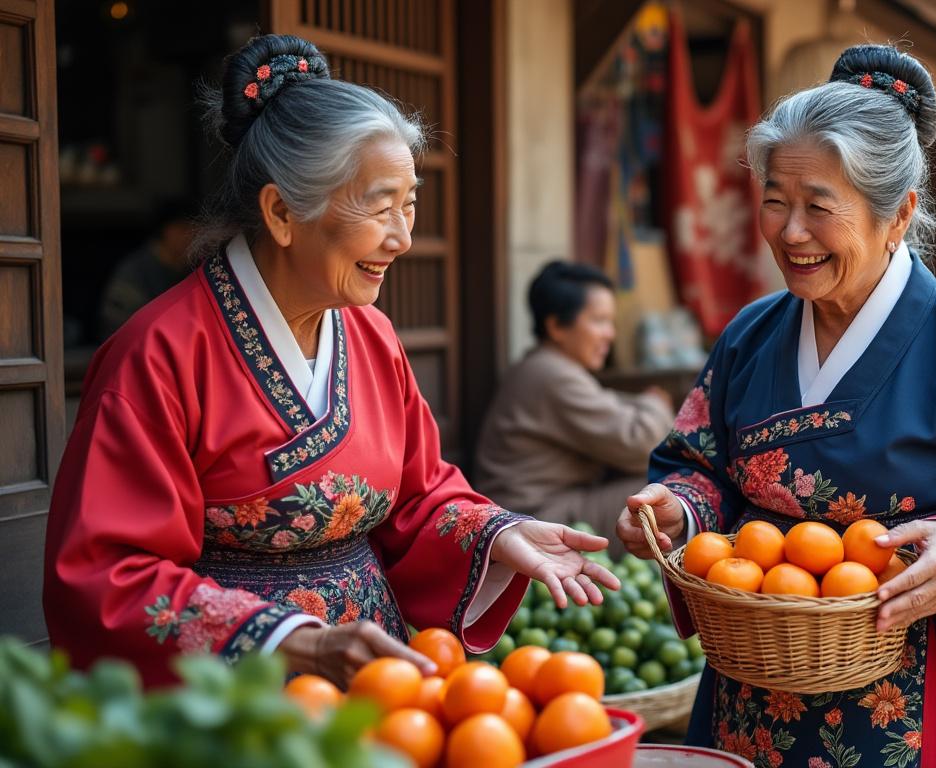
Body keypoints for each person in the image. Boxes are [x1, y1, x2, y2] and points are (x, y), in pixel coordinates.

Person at [43, 35, 617, 688]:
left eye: (410, 204)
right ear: (282, 213)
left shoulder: (371, 334)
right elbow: (107, 574)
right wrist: (295, 641)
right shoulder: (156, 355)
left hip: (380, 676)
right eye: (380, 207)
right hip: (243, 701)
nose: (403, 238)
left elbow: (420, 493)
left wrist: (496, 534)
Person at [616, 44, 936, 767]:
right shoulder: (750, 336)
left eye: (818, 207)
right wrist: (677, 509)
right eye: (775, 201)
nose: (790, 232)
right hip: (756, 683)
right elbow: (700, 465)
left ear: (898, 214)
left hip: (915, 693)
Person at [474, 261, 674, 551]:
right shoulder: (551, 374)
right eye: (599, 321)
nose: (610, 334)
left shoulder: (548, 367)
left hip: (544, 507)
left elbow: (613, 407)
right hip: (535, 517)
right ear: (556, 326)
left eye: (611, 322)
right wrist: (655, 402)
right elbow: (643, 444)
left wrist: (646, 404)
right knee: (671, 486)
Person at [98, 199, 196, 339]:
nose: (192, 235)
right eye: (184, 229)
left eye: (195, 229)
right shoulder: (133, 272)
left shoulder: (193, 268)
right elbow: (117, 328)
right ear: (166, 231)